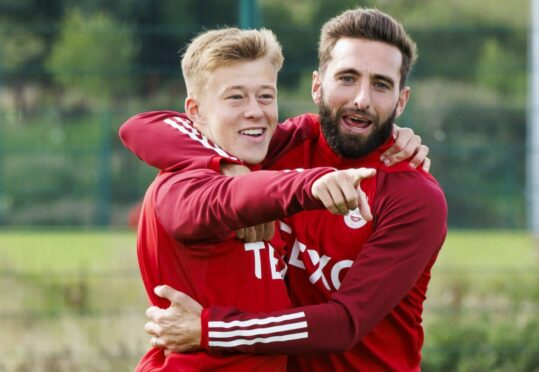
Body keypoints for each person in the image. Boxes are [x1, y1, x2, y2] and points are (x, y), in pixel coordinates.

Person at [122, 8, 446, 371]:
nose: (362, 99)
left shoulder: (414, 197)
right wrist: (225, 166)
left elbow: (344, 323)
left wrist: (212, 329)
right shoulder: (276, 145)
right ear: (317, 86)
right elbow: (143, 127)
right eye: (348, 78)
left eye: (381, 85)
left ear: (401, 101)